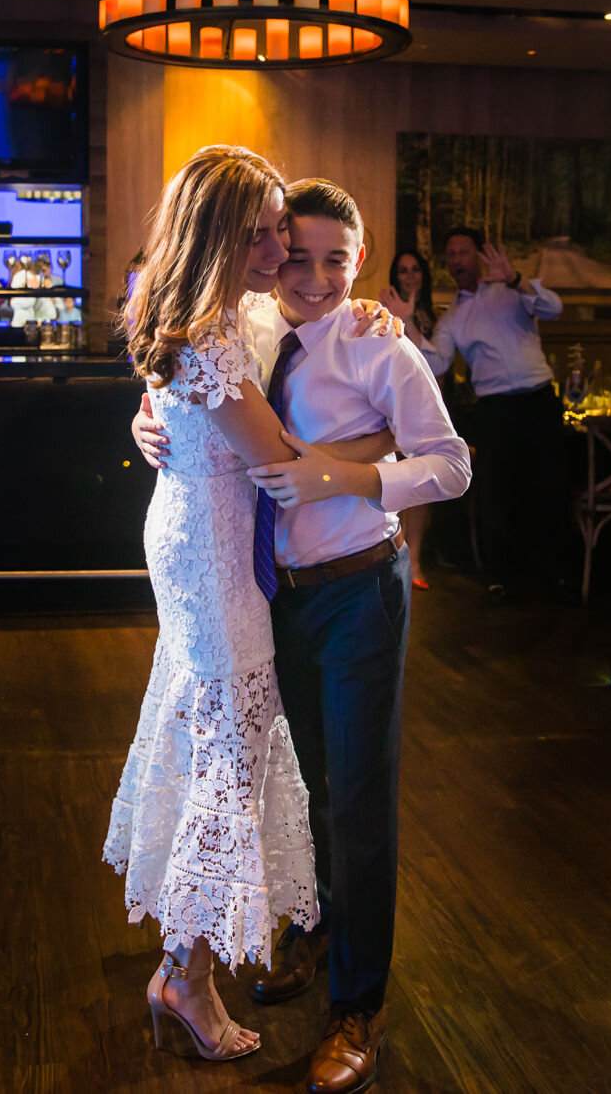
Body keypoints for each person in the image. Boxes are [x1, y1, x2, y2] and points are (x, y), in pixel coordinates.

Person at [133, 181, 470, 1092]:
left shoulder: (376, 343)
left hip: (359, 588)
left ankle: (357, 1004)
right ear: (267, 248)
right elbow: (191, 386)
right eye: (294, 249)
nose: (310, 274)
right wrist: (147, 419)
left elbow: (452, 465)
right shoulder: (246, 320)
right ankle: (316, 934)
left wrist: (353, 475)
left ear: (360, 262)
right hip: (267, 588)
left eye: (334, 259)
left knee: (357, 798)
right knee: (307, 782)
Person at [106, 144, 318, 1062]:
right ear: (221, 235)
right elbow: (278, 457)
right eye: (263, 233)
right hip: (210, 554)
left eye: (281, 230)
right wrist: (391, 439)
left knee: (217, 738)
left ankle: (180, 964)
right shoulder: (208, 332)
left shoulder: (209, 312)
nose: (278, 249)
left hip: (199, 533)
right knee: (229, 749)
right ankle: (187, 980)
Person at [389, 228, 566, 603]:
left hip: (539, 402)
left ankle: (554, 574)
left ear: (478, 257)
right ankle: (500, 577)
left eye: (463, 252)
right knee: (497, 494)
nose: (456, 259)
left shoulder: (512, 293)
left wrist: (517, 279)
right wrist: (407, 324)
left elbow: (553, 308)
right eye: (450, 254)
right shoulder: (454, 316)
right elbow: (436, 360)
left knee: (548, 487)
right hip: (495, 410)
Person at [383, 249, 440, 589]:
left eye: (415, 269)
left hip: (428, 409)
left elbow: (434, 364)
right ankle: (395, 555)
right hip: (392, 406)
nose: (409, 276)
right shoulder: (382, 307)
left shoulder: (433, 316)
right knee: (396, 485)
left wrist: (411, 320)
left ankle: (414, 558)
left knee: (421, 488)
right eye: (402, 270)